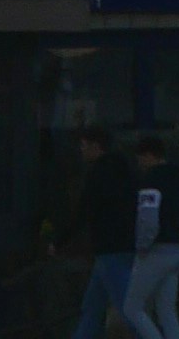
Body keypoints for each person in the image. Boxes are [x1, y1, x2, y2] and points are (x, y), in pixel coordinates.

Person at [61, 132, 143, 339]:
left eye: (84, 144)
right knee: (93, 307)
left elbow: (85, 211)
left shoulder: (96, 174)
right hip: (126, 244)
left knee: (128, 311)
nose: (82, 149)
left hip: (108, 248)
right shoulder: (127, 172)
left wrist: (61, 240)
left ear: (96, 146)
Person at [120, 141, 179, 339]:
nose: (139, 163)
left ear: (149, 155)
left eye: (140, 158)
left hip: (156, 250)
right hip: (177, 249)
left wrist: (142, 245)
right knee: (167, 309)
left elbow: (148, 219)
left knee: (132, 307)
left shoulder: (151, 180)